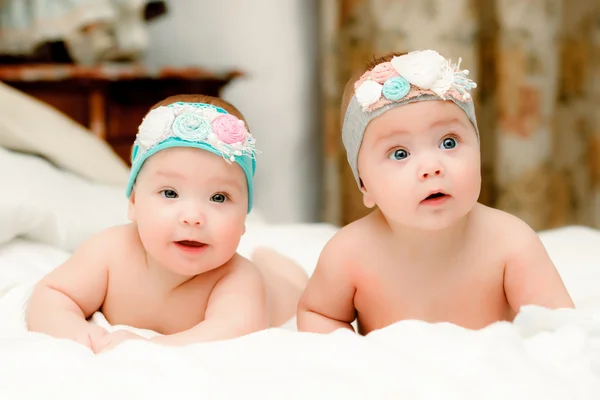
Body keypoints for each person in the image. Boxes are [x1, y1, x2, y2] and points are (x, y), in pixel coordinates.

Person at [297, 49, 574, 335]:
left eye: (449, 143)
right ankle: (282, 275)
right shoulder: (349, 254)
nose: (431, 167)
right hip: (393, 377)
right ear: (364, 185)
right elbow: (318, 313)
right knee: (289, 287)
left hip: (485, 374)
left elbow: (561, 327)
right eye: (400, 153)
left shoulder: (510, 243)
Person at [26, 94, 308, 352]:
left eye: (219, 197)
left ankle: (274, 262)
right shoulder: (109, 252)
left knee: (289, 283)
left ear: (245, 216)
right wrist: (80, 335)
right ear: (134, 202)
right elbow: (52, 295)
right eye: (170, 193)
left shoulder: (237, 279)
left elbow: (232, 334)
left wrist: (153, 347)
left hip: (281, 292)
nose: (193, 217)